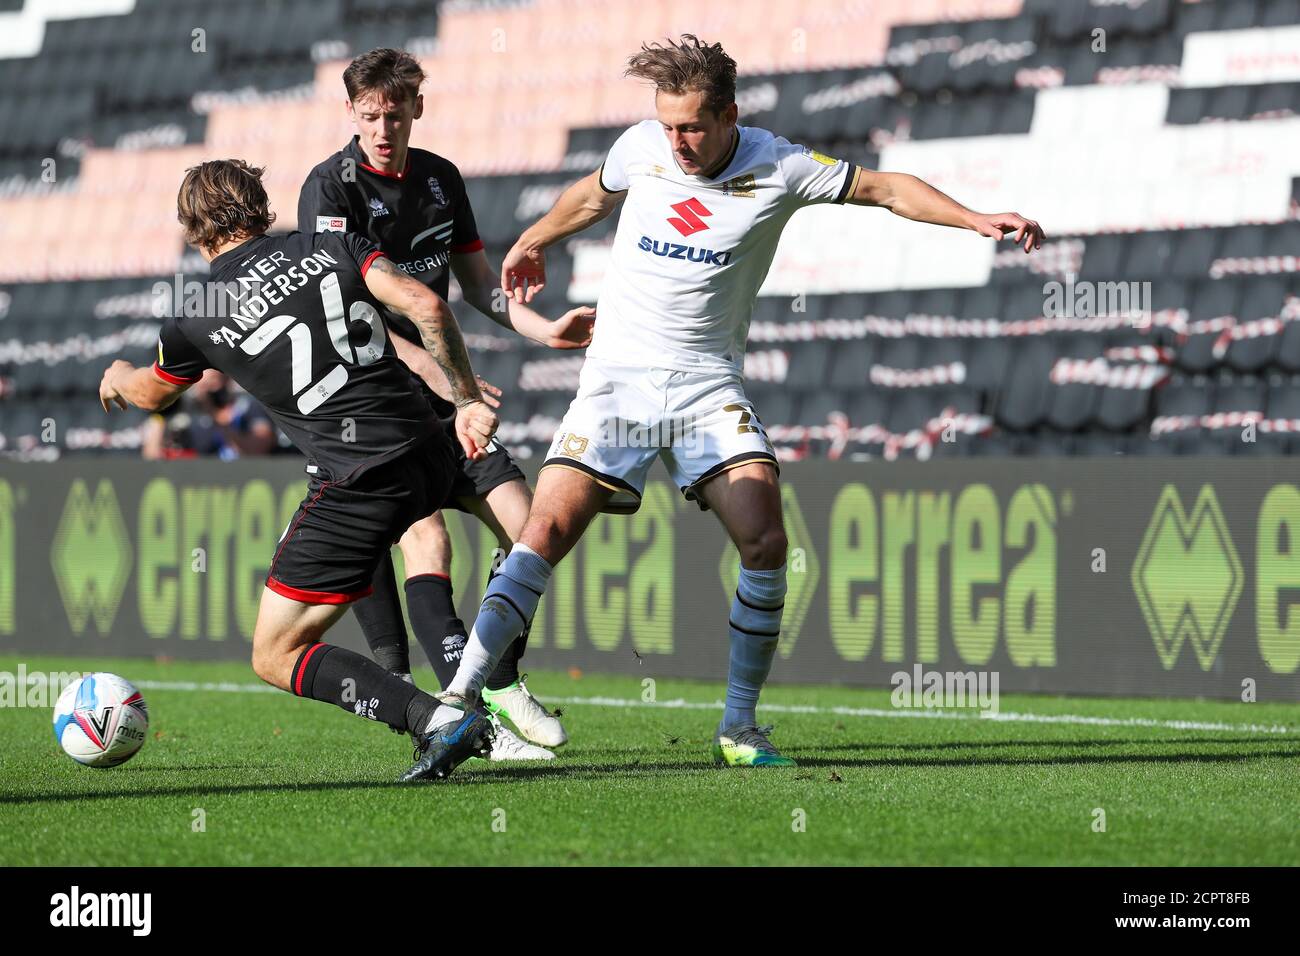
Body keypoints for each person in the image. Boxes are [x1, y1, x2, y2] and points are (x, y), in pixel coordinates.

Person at [440, 35, 1045, 767]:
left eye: (692, 126)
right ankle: (458, 701)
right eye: (668, 126)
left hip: (705, 384)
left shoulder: (779, 164)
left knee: (766, 541)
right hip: (618, 382)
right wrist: (535, 237)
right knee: (543, 532)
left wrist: (977, 219)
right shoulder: (642, 147)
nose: (678, 142)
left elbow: (886, 188)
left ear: (729, 115)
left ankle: (738, 727)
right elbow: (594, 195)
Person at [100, 158, 507, 782]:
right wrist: (466, 398)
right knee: (500, 534)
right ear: (261, 205)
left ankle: (437, 719)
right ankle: (487, 682)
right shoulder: (332, 241)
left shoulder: (199, 307)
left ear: (192, 229)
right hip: (430, 448)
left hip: (358, 477)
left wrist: (118, 377)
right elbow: (427, 303)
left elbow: (153, 397)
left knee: (273, 652)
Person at [298, 48, 590, 757]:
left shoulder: (440, 179)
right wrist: (435, 373)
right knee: (426, 538)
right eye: (368, 116)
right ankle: (465, 713)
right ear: (351, 114)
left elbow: (479, 285)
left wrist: (543, 328)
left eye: (393, 114)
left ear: (416, 109)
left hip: (448, 396)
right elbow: (346, 315)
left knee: (532, 534)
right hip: (374, 401)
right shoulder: (327, 190)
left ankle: (498, 680)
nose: (381, 128)